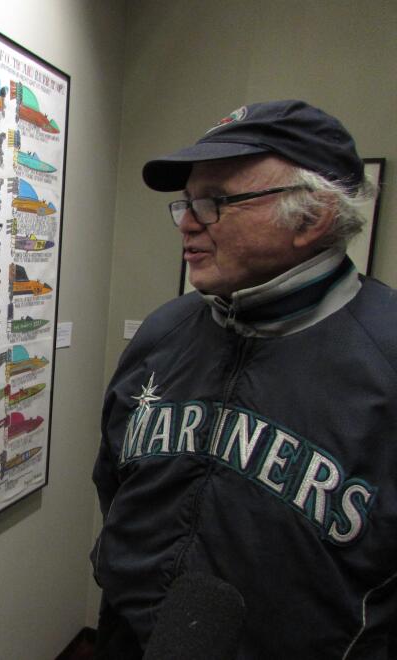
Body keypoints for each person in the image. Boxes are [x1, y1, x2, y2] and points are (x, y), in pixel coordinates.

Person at [90, 100, 396, 659]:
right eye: (186, 201)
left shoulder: (388, 359)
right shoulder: (166, 329)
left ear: (312, 216)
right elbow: (115, 481)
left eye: (214, 202)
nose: (186, 221)